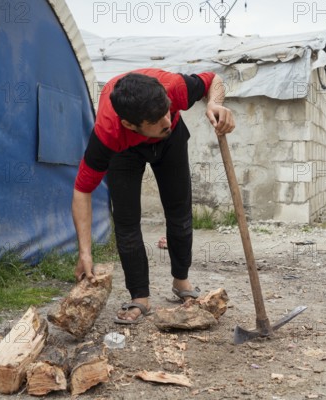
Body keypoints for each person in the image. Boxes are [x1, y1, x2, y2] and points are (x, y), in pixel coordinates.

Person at [72, 69, 235, 324]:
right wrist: (85, 251)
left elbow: (214, 79)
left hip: (171, 144)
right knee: (126, 222)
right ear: (129, 125)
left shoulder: (175, 89)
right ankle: (140, 298)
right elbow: (82, 190)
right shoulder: (108, 134)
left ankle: (181, 280)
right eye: (157, 120)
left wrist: (214, 102)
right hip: (125, 153)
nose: (166, 120)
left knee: (179, 211)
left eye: (166, 111)